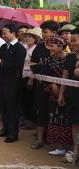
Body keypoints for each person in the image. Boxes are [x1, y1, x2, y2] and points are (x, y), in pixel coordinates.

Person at [36, 36, 71, 156]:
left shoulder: (68, 59)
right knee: (54, 119)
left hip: (67, 95)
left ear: (61, 47)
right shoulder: (48, 60)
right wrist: (51, 86)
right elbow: (42, 74)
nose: (49, 48)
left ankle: (70, 148)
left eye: (52, 46)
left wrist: (61, 91)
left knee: (68, 120)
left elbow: (70, 78)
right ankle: (59, 147)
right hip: (52, 94)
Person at [0, 23, 26, 143]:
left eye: (5, 32)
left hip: (13, 82)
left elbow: (18, 66)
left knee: (12, 108)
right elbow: (1, 63)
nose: (3, 35)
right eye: (2, 32)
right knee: (3, 106)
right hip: (1, 80)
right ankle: (5, 128)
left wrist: (2, 63)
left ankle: (13, 133)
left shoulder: (20, 48)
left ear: (13, 33)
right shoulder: (3, 47)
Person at [30, 20, 60, 149]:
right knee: (41, 111)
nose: (43, 35)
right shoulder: (39, 47)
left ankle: (54, 140)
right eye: (42, 32)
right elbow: (32, 64)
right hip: (41, 85)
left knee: (55, 113)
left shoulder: (61, 47)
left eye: (45, 32)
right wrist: (41, 79)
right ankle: (40, 139)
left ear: (53, 33)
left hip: (56, 87)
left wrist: (53, 83)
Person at [59, 27, 79, 162]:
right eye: (71, 41)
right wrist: (61, 94)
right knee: (74, 124)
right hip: (72, 95)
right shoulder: (71, 57)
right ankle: (76, 153)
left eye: (75, 40)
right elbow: (65, 76)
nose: (72, 43)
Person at [20, 28, 41, 130]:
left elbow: (35, 65)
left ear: (35, 39)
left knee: (30, 100)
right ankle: (25, 120)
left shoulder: (35, 49)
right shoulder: (25, 48)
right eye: (26, 36)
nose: (28, 38)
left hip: (30, 77)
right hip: (23, 75)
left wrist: (31, 79)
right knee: (24, 100)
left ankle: (30, 123)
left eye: (30, 37)